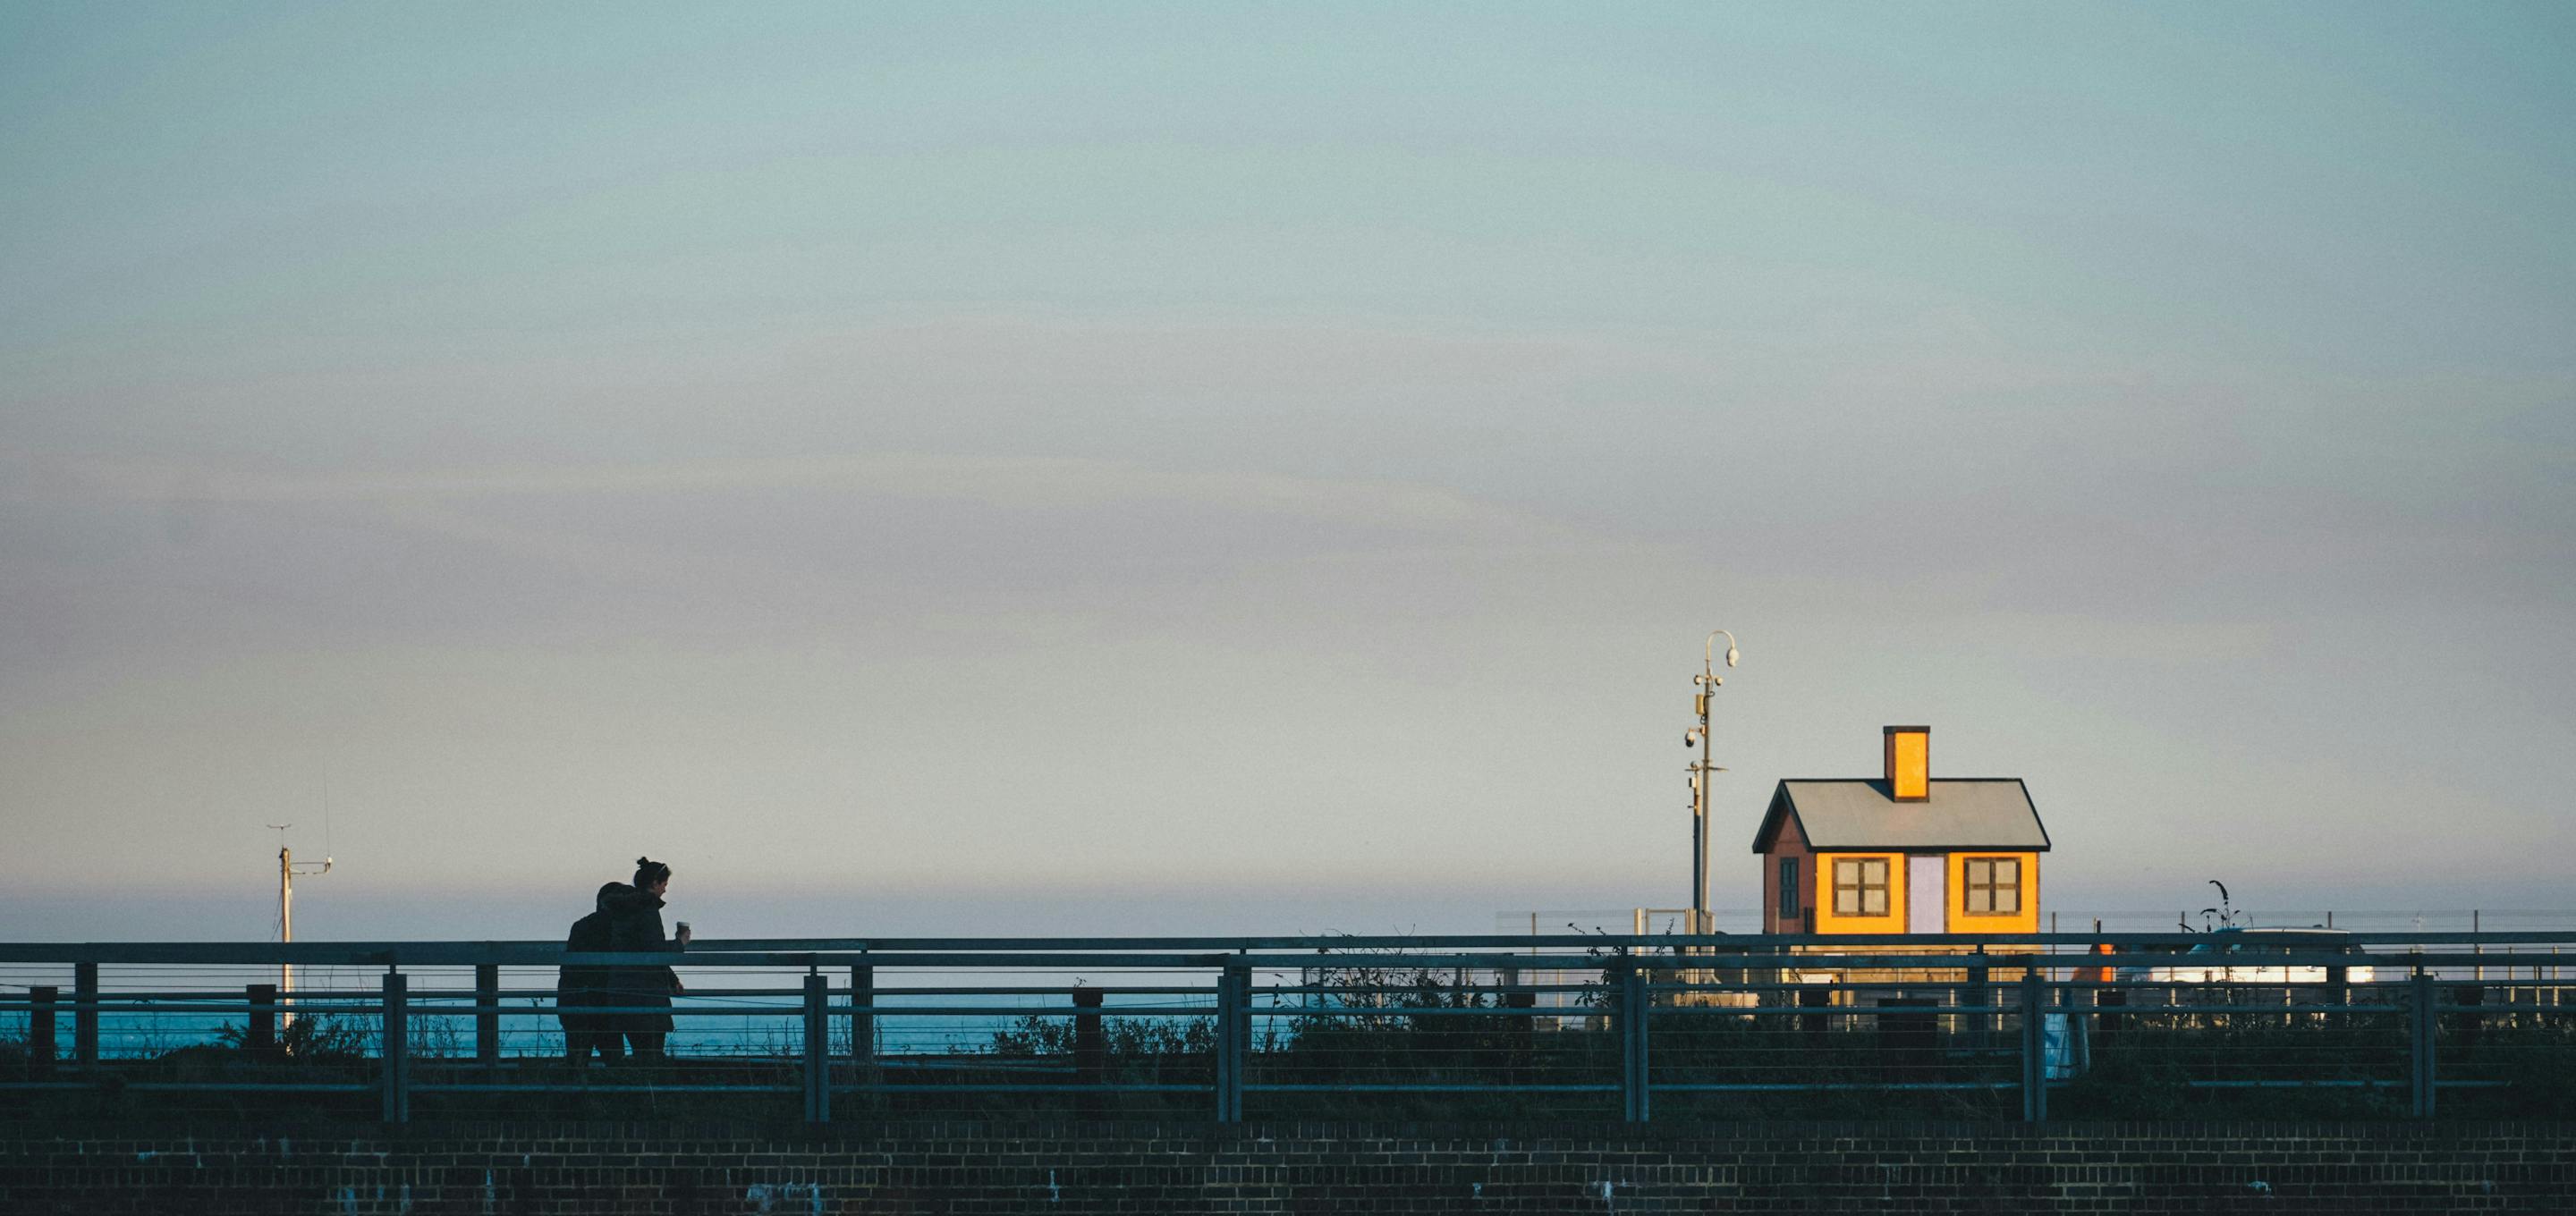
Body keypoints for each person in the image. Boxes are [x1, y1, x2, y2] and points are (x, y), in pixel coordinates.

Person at [602, 856, 691, 1059]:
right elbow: (654, 952)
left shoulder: (622, 911)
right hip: (647, 994)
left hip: (621, 991)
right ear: (654, 883)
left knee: (640, 1050)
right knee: (651, 1054)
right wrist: (680, 943)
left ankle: (639, 1086)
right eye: (664, 884)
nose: (665, 890)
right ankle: (650, 1088)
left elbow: (637, 949)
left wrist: (671, 979)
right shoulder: (647, 911)